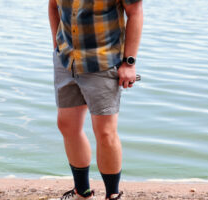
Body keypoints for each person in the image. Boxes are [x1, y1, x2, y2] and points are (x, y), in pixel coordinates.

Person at [48, 0, 143, 199]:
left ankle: (113, 195)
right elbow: (53, 6)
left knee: (105, 132)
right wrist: (57, 46)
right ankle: (82, 192)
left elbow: (135, 12)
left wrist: (129, 62)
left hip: (103, 61)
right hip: (66, 60)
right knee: (67, 125)